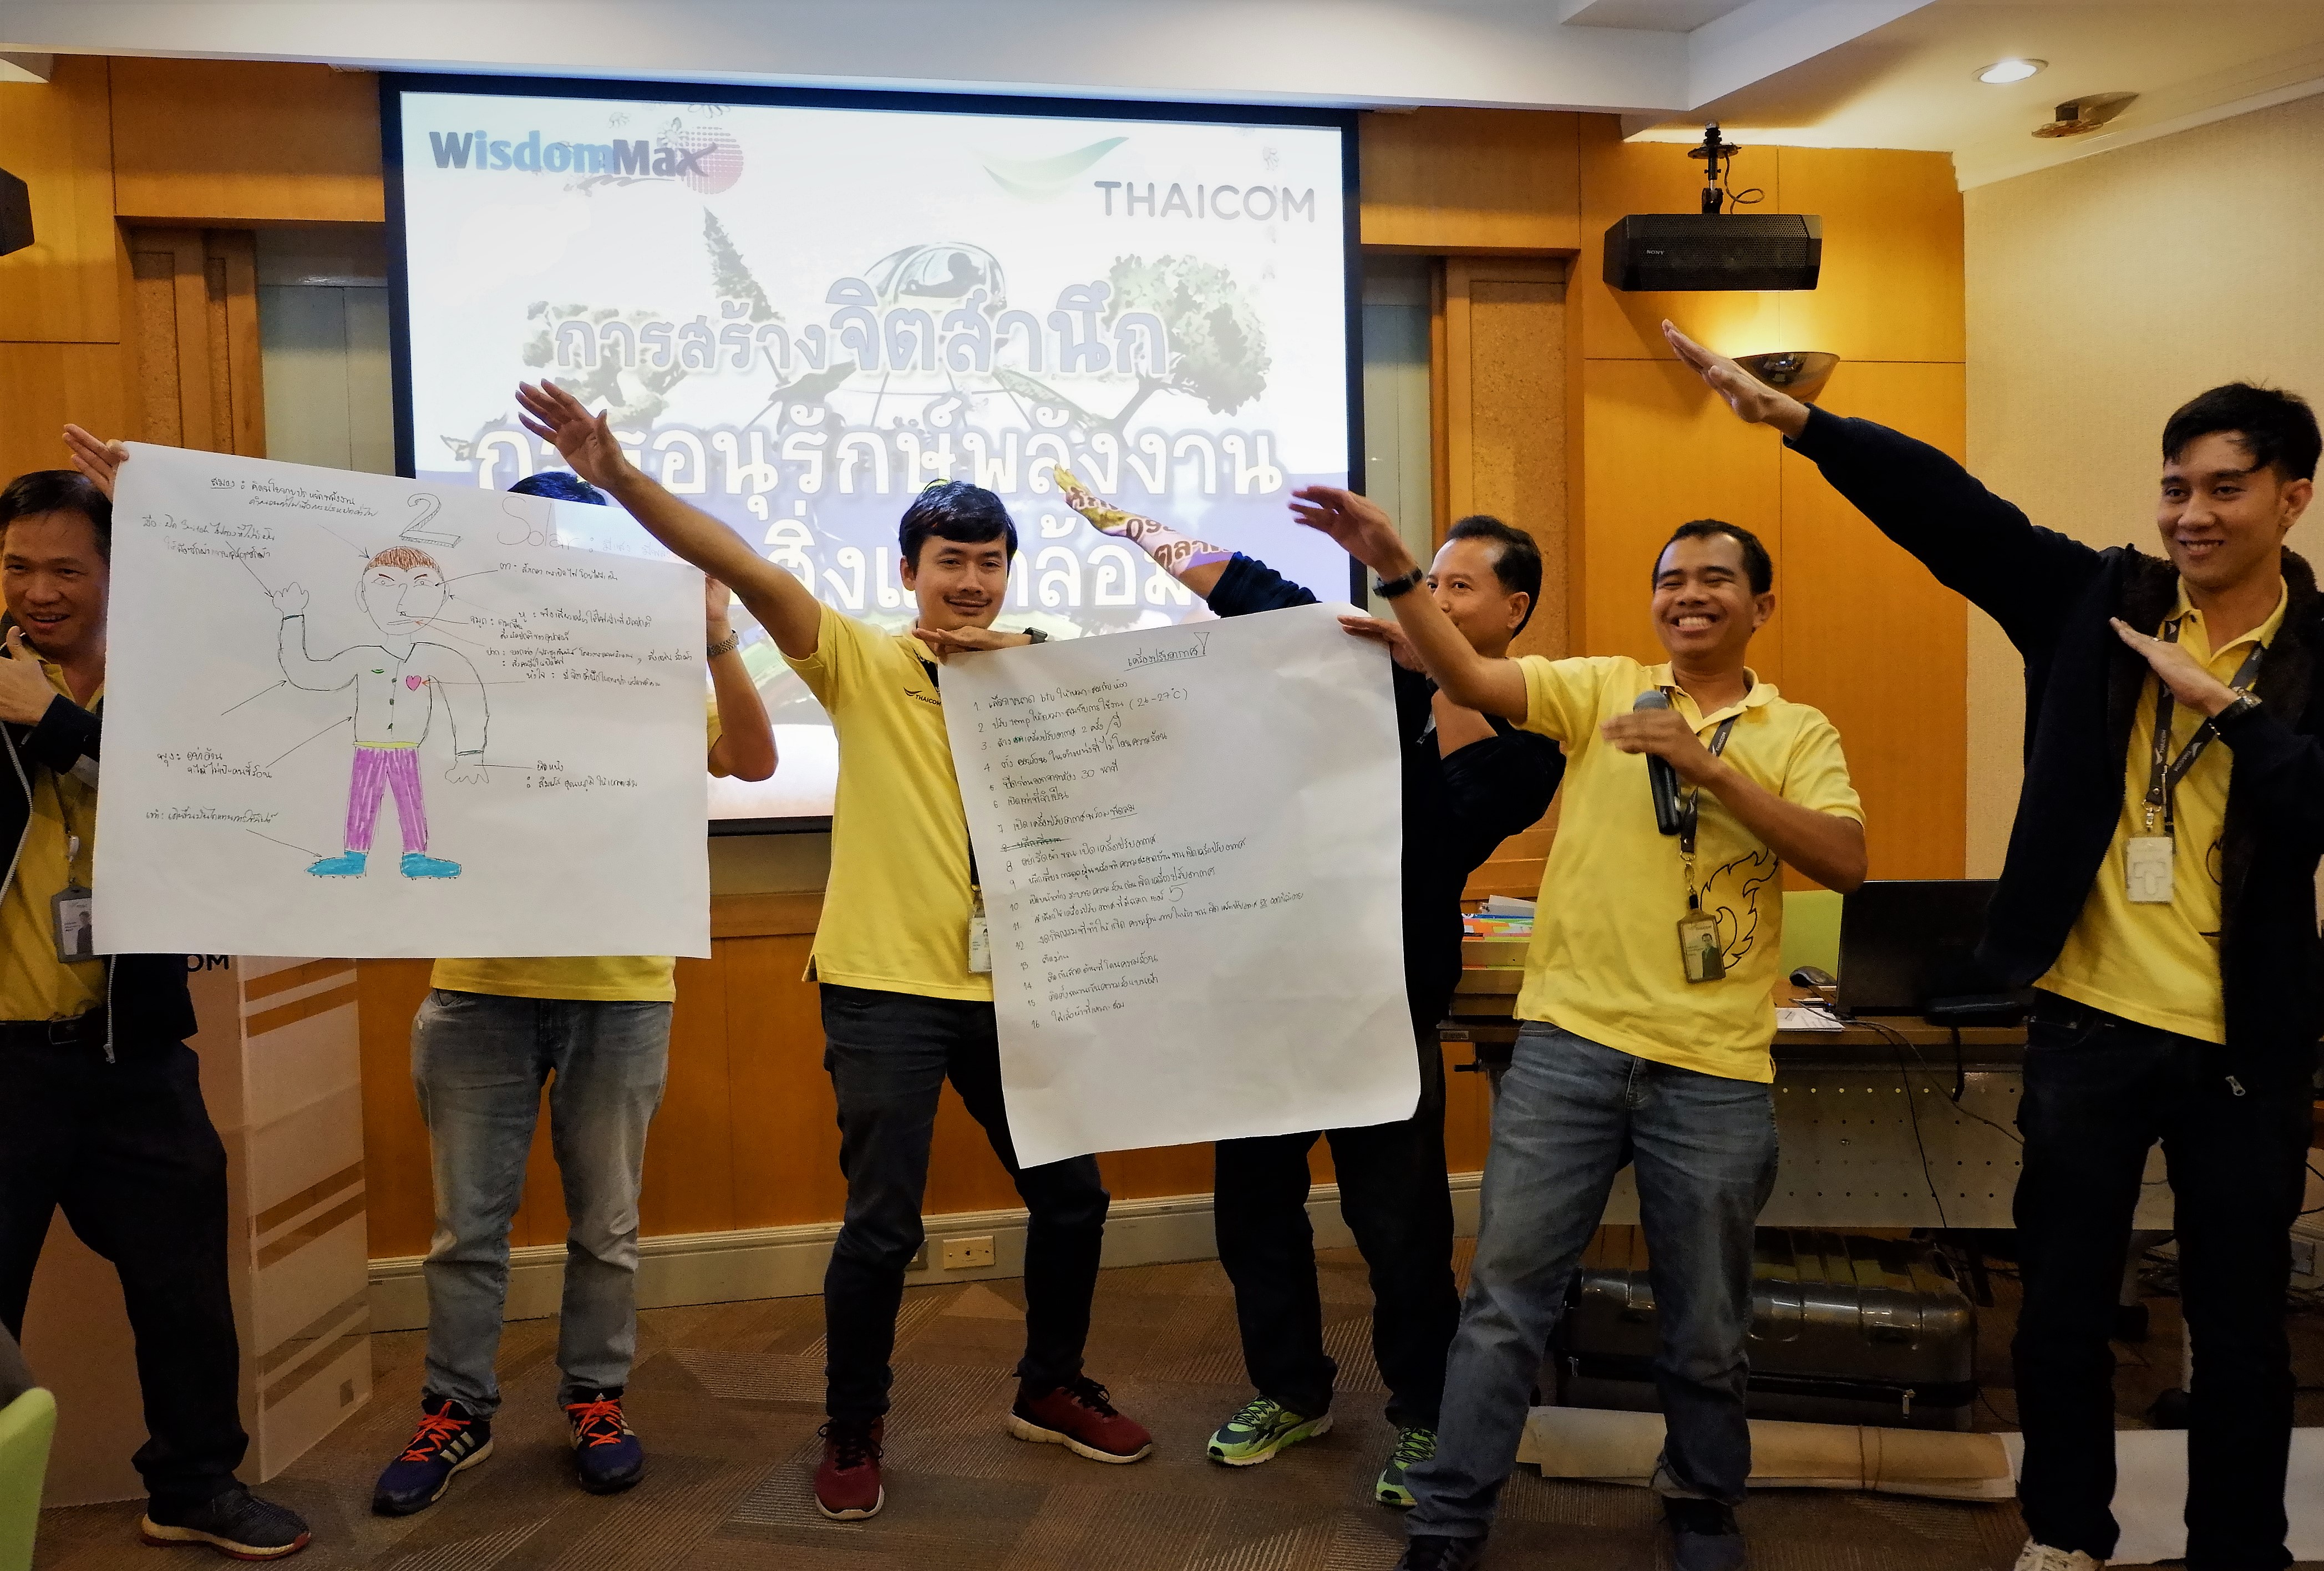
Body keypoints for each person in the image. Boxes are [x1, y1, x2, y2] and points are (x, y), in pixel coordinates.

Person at [1663, 322, 2324, 1571]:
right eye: (2174, 487)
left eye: (2223, 488)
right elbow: (1958, 517)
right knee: (2059, 1313)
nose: (2189, 515)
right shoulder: (2099, 605)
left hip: (2245, 1044)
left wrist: (2227, 711)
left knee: (2243, 1328)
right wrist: (1805, 426)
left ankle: (2240, 1550)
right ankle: (2066, 1536)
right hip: (2086, 1024)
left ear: (2290, 498)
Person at [512, 382, 1153, 1523]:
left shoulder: (1046, 661)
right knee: (883, 1226)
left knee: (1074, 1200)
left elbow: (1157, 699)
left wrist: (1014, 655)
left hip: (1019, 983)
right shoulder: (857, 658)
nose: (971, 580)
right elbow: (742, 564)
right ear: (909, 571)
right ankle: (853, 1425)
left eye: (990, 561)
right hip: (882, 989)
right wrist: (618, 478)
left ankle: (1049, 1386)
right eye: (950, 561)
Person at [1294, 485, 1866, 1571]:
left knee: (1706, 1320)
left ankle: (1701, 1496)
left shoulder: (1796, 732)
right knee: (1504, 1304)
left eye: (1714, 579)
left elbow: (1842, 859)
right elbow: (1471, 678)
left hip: (1712, 1066)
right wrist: (1396, 567)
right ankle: (1450, 1518)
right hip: (1569, 1045)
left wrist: (1707, 766)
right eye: (1670, 579)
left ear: (1760, 606)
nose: (1688, 595)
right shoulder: (1602, 686)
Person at [1060, 473, 1563, 1505]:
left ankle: (1425, 1413)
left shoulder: (1529, 748)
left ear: (1514, 610)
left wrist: (1431, 677)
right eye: (1428, 581)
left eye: (1459, 588)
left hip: (1382, 1005)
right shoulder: (1356, 663)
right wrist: (1132, 525)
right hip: (1269, 990)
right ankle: (1290, 1390)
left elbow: (1437, 835)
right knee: (1252, 1216)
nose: (1434, 599)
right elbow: (1247, 588)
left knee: (1402, 1232)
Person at [369, 469, 779, 1514]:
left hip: (622, 987)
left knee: (607, 1225)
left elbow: (753, 759)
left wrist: (716, 636)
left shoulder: (648, 672)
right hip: (478, 985)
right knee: (466, 1228)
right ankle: (455, 1409)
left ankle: (597, 1397)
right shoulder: (458, 666)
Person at [0, 432, 311, 1560]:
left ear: (116, 573)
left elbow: (205, 808)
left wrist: (58, 722)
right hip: (5, 1057)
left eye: (67, 569)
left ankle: (192, 1485)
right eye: (17, 568)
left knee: (184, 1290)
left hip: (132, 1049)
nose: (38, 592)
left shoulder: (173, 686)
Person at [267, 546, 488, 878]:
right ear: (363, 596)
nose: (401, 603)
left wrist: (470, 754)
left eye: (420, 585)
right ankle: (354, 856)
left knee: (410, 799)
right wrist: (292, 618)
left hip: (407, 748)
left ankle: (415, 856)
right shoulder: (362, 656)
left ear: (443, 596)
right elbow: (308, 675)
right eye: (385, 585)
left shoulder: (440, 657)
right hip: (367, 746)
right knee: (363, 798)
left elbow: (468, 698)